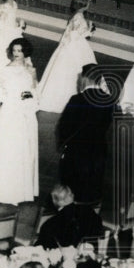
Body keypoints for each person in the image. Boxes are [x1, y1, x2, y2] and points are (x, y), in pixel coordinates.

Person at [0, 38, 40, 206]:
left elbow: (36, 93)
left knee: (24, 148)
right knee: (8, 148)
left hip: (26, 113)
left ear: (25, 52)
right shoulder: (5, 71)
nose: (16, 54)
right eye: (14, 50)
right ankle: (4, 190)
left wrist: (29, 96)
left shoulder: (31, 71)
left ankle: (22, 190)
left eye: (20, 51)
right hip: (10, 113)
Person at [57, 64, 115, 203]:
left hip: (77, 152)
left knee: (72, 190)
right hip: (98, 151)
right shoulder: (110, 101)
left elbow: (64, 127)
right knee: (92, 190)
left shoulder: (77, 99)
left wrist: (63, 146)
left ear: (84, 78)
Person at [37, 0, 97, 113]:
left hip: (69, 46)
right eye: (88, 3)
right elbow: (75, 35)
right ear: (84, 5)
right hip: (75, 47)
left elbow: (70, 34)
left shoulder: (75, 15)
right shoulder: (79, 17)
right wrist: (89, 31)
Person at [37, 184, 104, 249]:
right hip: (89, 254)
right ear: (72, 196)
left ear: (56, 202)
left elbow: (39, 248)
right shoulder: (89, 211)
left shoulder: (49, 224)